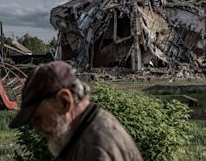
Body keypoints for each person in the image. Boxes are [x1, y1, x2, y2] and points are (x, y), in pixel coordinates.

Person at [10, 61, 143, 161]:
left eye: (38, 118)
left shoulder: (95, 149)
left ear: (64, 101)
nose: (36, 128)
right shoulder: (88, 128)